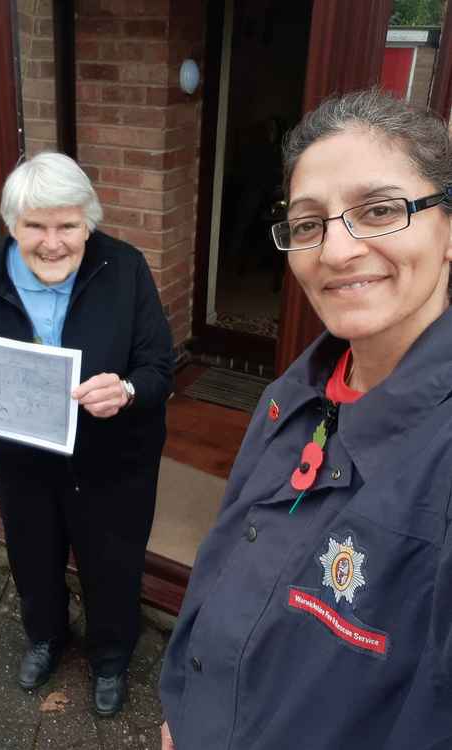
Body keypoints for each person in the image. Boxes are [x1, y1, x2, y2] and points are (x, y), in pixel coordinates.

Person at [159, 88, 452, 749]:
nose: (336, 251)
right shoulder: (294, 392)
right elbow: (224, 563)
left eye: (378, 210)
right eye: (308, 223)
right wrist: (183, 706)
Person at [0, 152, 173, 717]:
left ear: (88, 223)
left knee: (112, 562)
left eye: (67, 225)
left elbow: (158, 369)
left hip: (114, 461)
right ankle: (47, 637)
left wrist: (125, 390)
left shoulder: (124, 267)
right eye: (35, 226)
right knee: (33, 558)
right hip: (22, 461)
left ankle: (111, 655)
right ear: (11, 224)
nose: (52, 243)